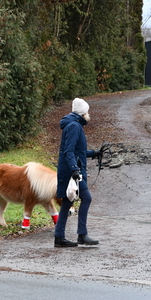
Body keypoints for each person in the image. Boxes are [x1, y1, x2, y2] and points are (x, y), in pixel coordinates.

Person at [54, 98, 102, 248]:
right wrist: (75, 169)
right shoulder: (74, 126)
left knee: (67, 202)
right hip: (71, 171)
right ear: (82, 113)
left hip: (70, 169)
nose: (89, 114)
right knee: (86, 198)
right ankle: (82, 235)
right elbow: (68, 151)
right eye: (87, 111)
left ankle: (59, 237)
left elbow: (76, 151)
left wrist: (94, 153)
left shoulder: (73, 124)